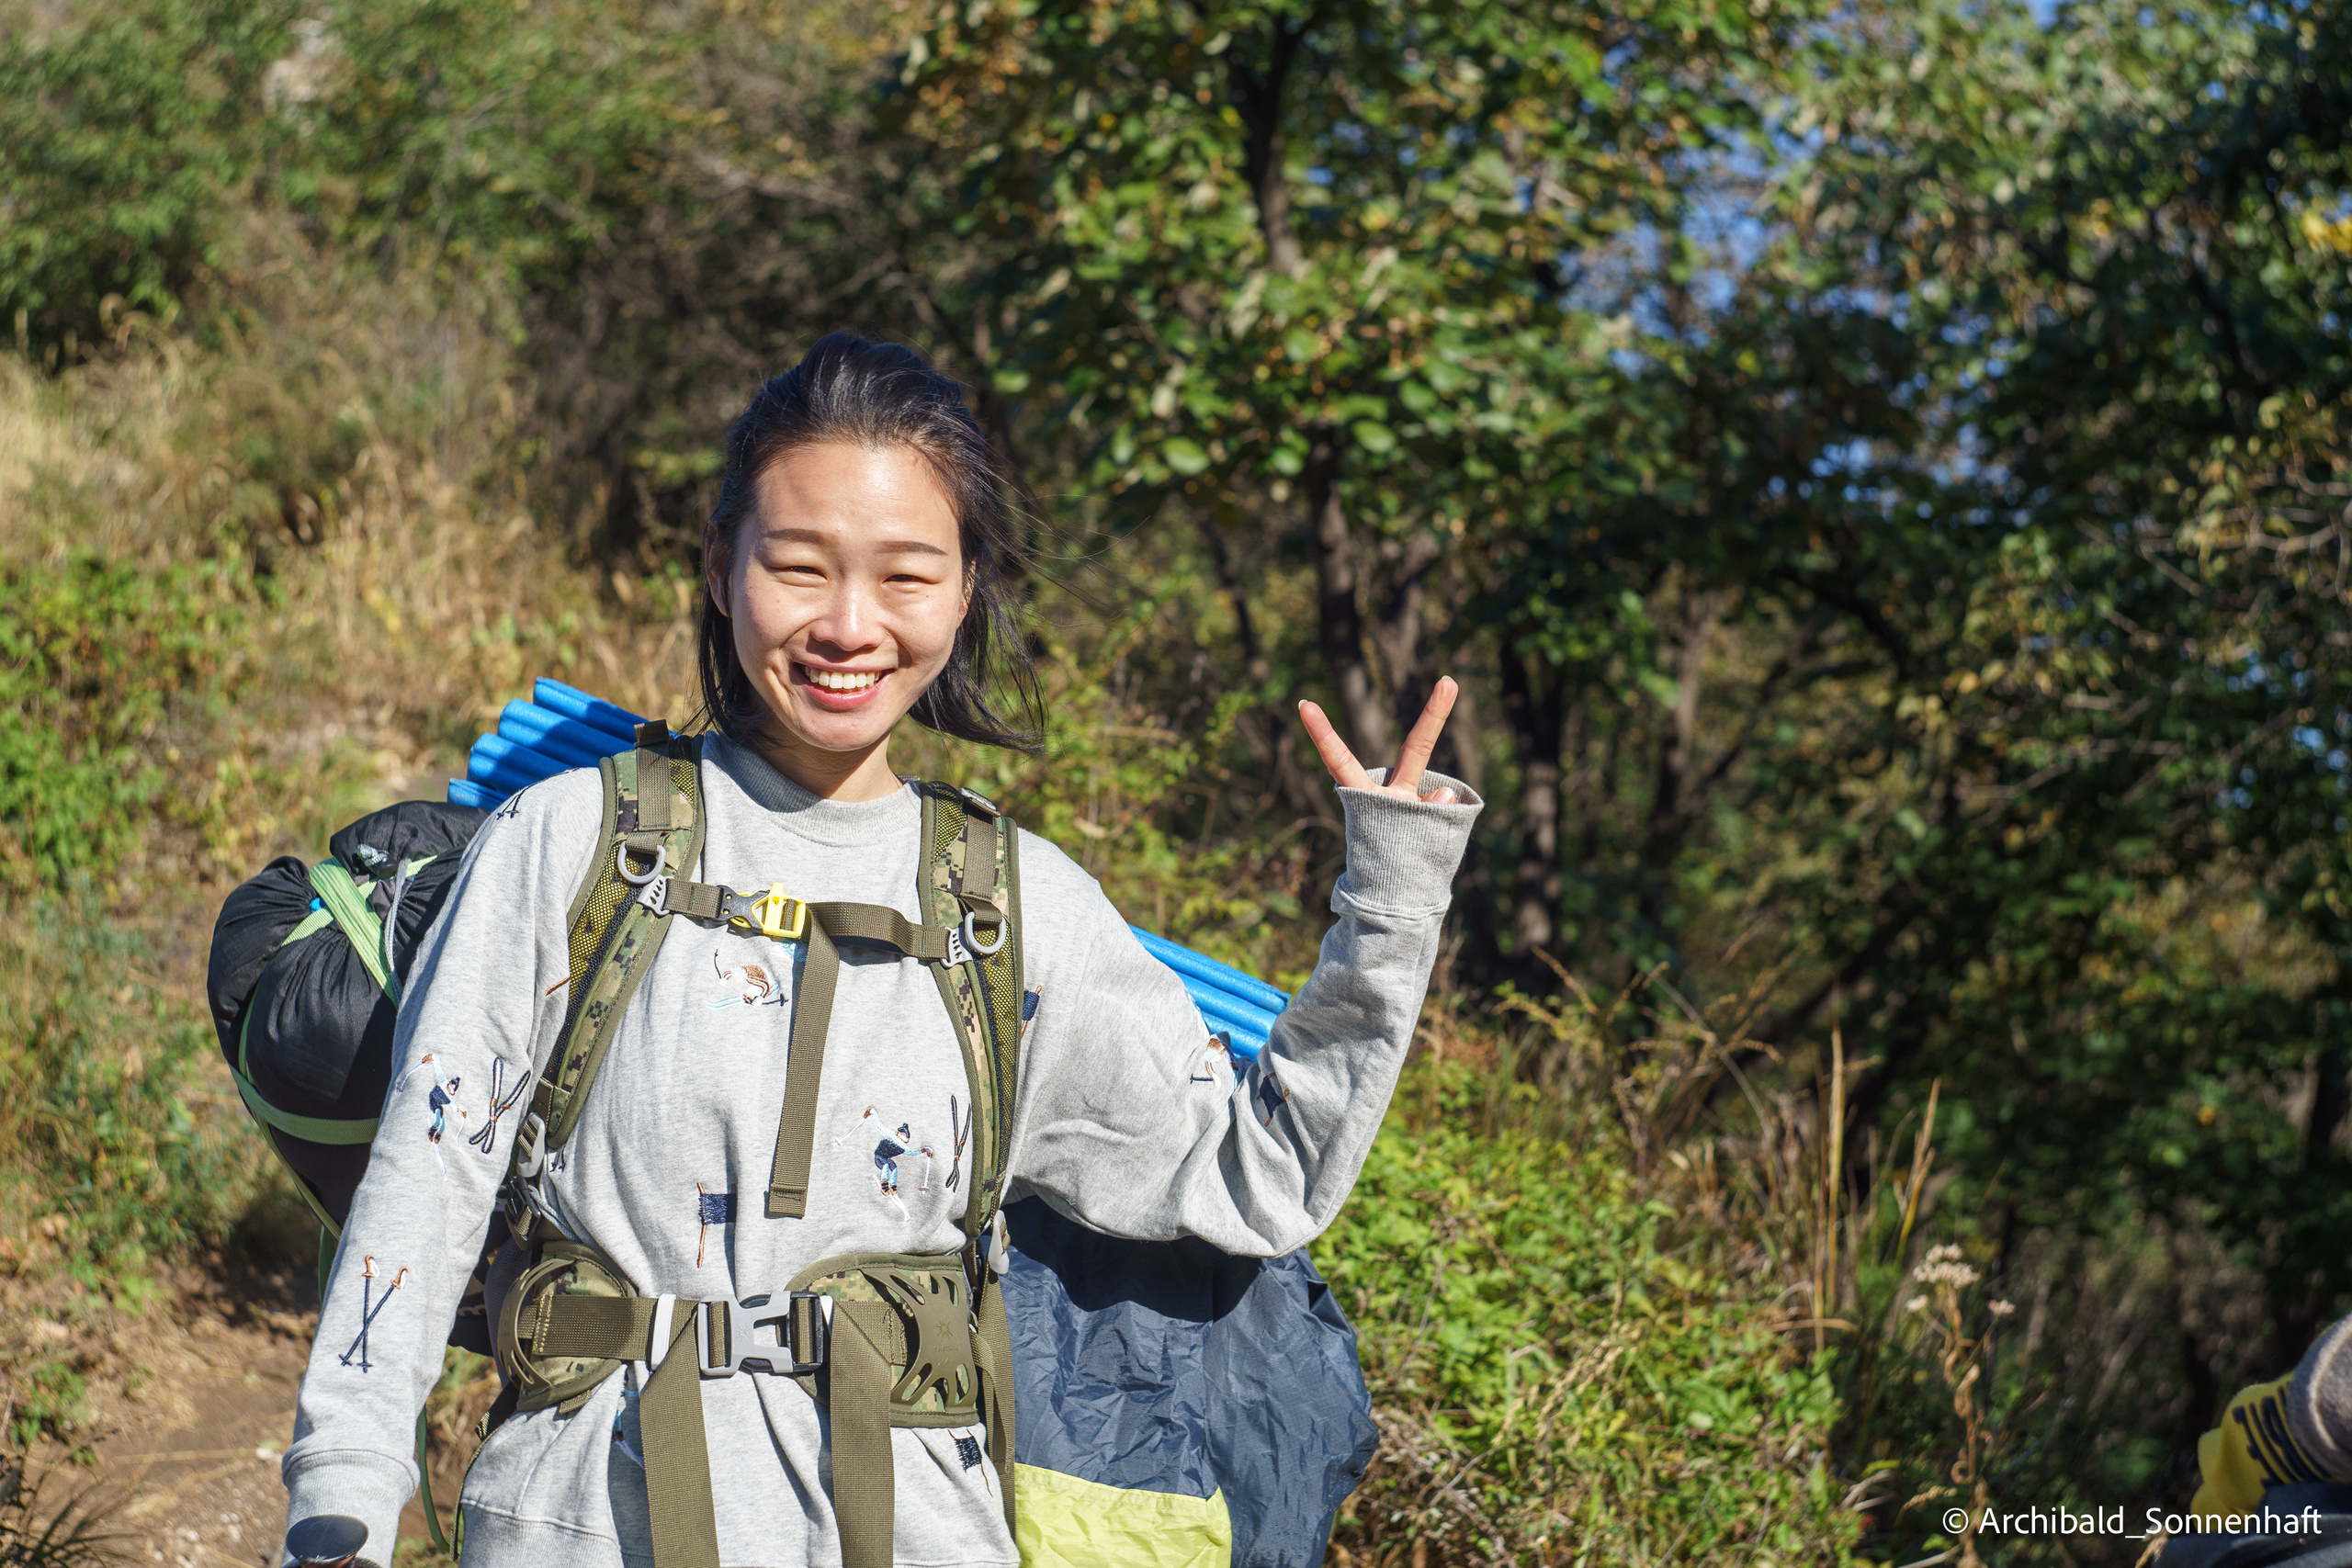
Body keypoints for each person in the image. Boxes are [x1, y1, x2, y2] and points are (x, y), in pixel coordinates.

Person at [277, 333, 1482, 1567]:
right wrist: (343, 1501)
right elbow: (423, 1201)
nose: (849, 626)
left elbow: (1259, 1178)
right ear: (720, 565)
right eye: (798, 566)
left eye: (908, 577)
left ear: (967, 591)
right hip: (585, 1527)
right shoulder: (570, 842)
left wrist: (1387, 899)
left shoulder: (1020, 913)